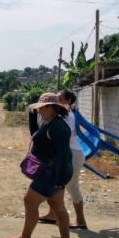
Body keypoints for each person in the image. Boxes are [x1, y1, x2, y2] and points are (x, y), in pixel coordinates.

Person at [6, 92, 74, 238]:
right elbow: (36, 136)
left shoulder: (58, 127)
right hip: (53, 173)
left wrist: (59, 178)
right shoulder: (49, 122)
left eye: (42, 108)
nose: (39, 111)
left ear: (52, 107)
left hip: (52, 173)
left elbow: (64, 155)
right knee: (57, 206)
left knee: (29, 201)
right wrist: (32, 118)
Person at [38, 90, 87, 229]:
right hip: (70, 153)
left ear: (68, 101)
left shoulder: (65, 116)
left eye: (59, 98)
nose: (56, 100)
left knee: (72, 187)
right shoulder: (65, 114)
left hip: (71, 154)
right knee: (57, 186)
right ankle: (52, 214)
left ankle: (81, 221)